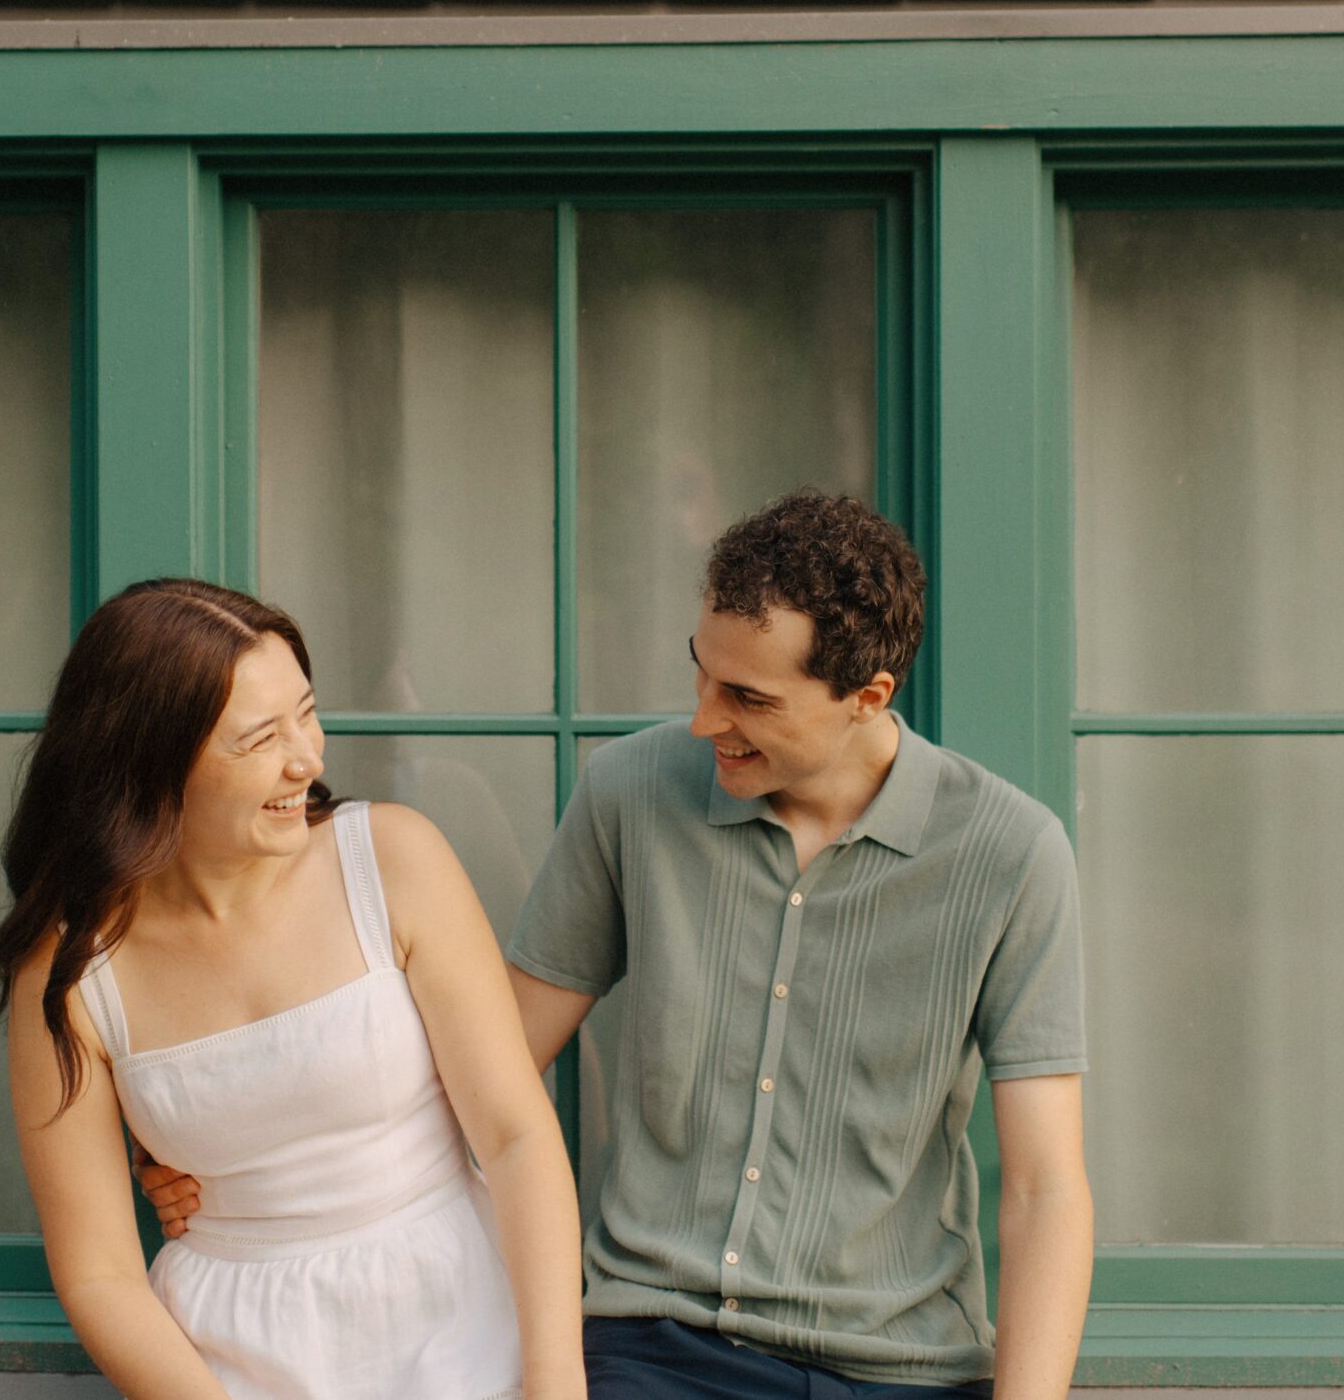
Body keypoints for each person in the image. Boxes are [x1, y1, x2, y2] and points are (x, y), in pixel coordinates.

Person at [147, 492, 1092, 1400]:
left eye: (748, 697)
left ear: (866, 696)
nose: (705, 718)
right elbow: (486, 1069)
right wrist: (238, 1155)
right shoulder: (631, 794)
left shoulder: (1011, 855)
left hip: (906, 1369)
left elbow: (1046, 1189)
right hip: (657, 1348)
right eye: (701, 672)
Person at [0, 578, 587, 1400]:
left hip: (465, 1323)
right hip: (227, 1363)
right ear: (151, 764)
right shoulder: (69, 977)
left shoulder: (394, 861)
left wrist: (555, 1383)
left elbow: (515, 1136)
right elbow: (100, 1276)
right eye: (261, 738)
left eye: (307, 713)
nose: (308, 758)